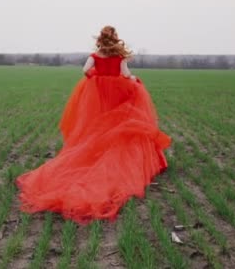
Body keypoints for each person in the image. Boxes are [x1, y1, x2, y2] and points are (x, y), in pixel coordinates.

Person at [15, 25, 171, 225]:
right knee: (120, 121)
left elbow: (85, 70)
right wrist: (134, 79)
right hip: (119, 91)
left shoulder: (95, 56)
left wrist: (96, 76)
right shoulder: (120, 57)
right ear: (115, 39)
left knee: (99, 123)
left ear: (100, 39)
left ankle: (99, 148)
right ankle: (110, 147)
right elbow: (125, 74)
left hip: (98, 92)